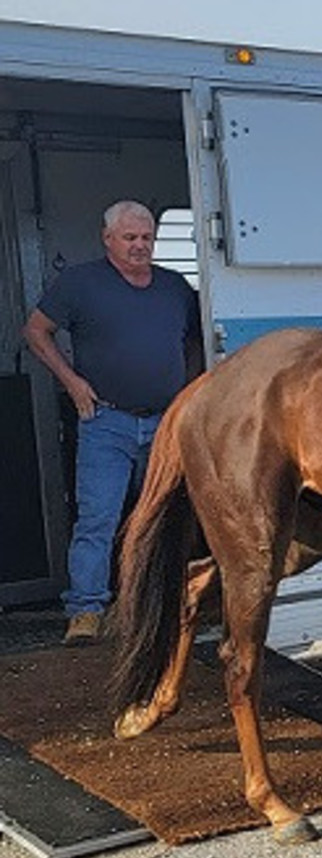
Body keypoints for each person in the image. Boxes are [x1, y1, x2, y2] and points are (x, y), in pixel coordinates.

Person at [23, 200, 201, 646]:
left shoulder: (175, 287)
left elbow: (199, 339)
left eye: (146, 238)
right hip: (106, 421)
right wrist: (73, 382)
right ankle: (85, 611)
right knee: (98, 518)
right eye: (130, 238)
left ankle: (163, 602)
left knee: (164, 515)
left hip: (165, 424)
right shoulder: (80, 283)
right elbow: (35, 331)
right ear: (108, 240)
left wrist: (191, 392)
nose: (140, 246)